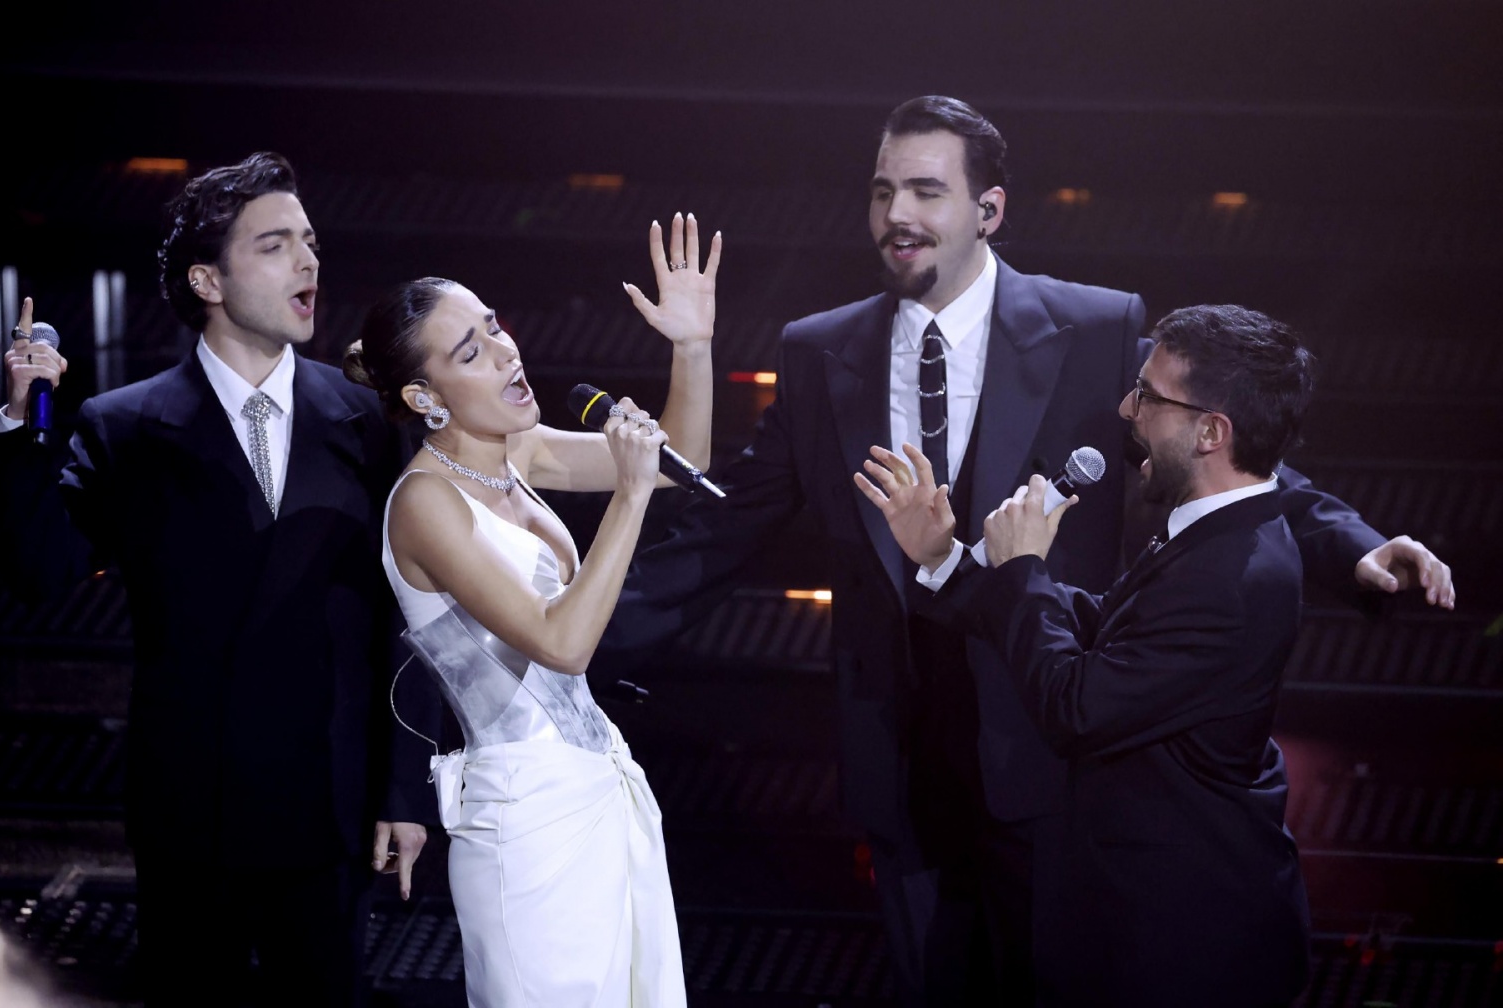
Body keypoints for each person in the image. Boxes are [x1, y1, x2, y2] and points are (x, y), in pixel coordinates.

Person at [596, 95, 1455, 1005]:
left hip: (1057, 764)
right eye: (884, 190)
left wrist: (1355, 545)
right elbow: (726, 525)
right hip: (900, 762)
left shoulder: (1096, 328)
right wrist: (569, 644)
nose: (898, 215)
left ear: (989, 210)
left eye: (926, 190)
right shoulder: (820, 352)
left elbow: (1223, 454)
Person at [0, 151, 437, 1006]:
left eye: (309, 241)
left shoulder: (369, 421)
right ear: (209, 279)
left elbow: (405, 621)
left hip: (328, 809)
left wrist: (405, 789)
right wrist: (18, 421)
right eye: (274, 245)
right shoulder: (127, 428)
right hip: (194, 811)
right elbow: (40, 571)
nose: (308, 261)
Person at [858, 303, 1326, 1007]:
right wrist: (948, 559)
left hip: (1185, 946)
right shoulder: (1215, 535)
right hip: (1145, 926)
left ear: (1211, 431)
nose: (1126, 407)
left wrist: (1023, 569)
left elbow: (1075, 706)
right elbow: (1101, 626)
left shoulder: (1235, 572)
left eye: (1149, 395)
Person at [343, 213, 721, 1007]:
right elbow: (565, 641)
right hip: (525, 825)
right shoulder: (423, 504)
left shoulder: (518, 453)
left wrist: (690, 345)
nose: (507, 352)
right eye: (471, 351)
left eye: (495, 328)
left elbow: (681, 455)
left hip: (600, 790)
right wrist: (627, 491)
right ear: (423, 395)